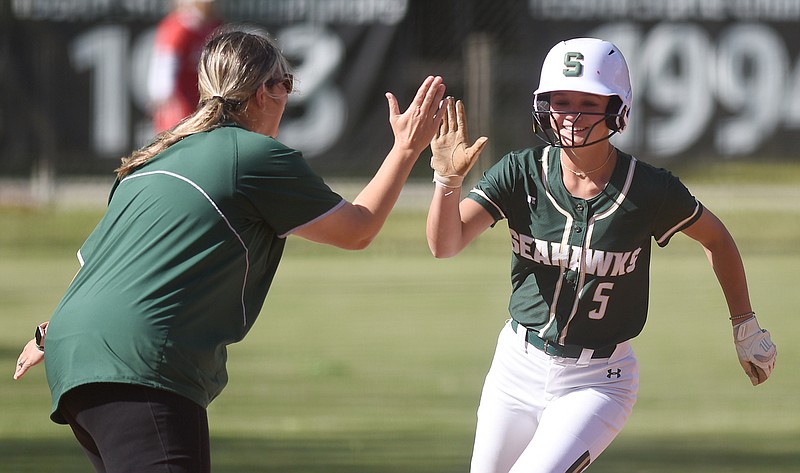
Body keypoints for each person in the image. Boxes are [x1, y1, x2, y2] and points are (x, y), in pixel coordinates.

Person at [13, 26, 447, 473]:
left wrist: (53, 332)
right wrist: (407, 147)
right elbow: (357, 229)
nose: (287, 95)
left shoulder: (152, 158)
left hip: (73, 356)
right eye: (286, 84)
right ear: (263, 93)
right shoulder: (254, 156)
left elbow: (105, 270)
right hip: (141, 367)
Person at [426, 37, 777, 473]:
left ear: (618, 108)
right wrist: (446, 182)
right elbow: (445, 244)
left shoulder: (649, 189)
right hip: (516, 366)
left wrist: (744, 323)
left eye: (588, 101)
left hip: (597, 381)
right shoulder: (521, 172)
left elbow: (717, 239)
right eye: (561, 100)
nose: (571, 113)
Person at [148, 0, 223, 133]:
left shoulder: (215, 26)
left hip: (207, 101)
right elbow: (164, 68)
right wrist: (164, 98)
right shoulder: (178, 27)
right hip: (182, 104)